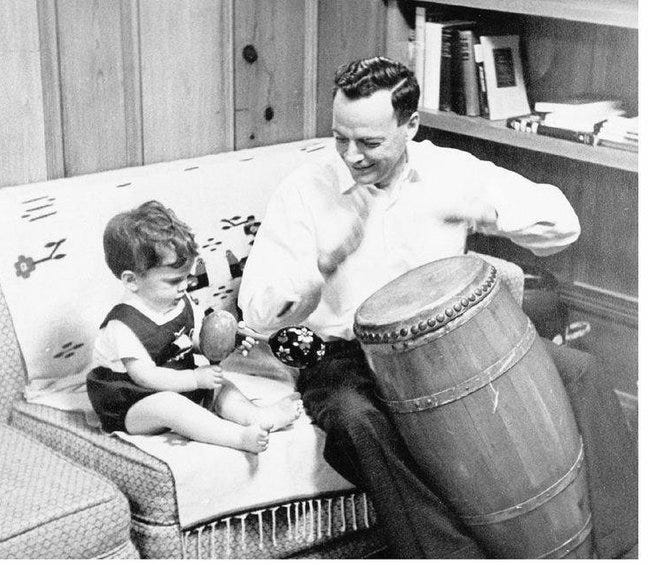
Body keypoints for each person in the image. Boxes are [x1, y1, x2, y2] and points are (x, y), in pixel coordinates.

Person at [238, 57, 637, 557]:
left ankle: (624, 549)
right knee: (358, 422)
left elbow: (563, 224)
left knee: (583, 373)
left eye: (369, 142)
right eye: (341, 138)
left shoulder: (451, 169)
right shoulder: (305, 189)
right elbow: (255, 311)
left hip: (455, 345)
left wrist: (492, 216)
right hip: (349, 359)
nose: (351, 156)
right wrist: (319, 265)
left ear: (410, 125)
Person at [86, 200, 302, 454]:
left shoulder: (181, 300)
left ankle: (257, 416)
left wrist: (229, 342)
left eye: (187, 277)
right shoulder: (122, 324)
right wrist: (194, 379)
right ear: (132, 281)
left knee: (222, 386)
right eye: (173, 280)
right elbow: (144, 377)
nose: (184, 286)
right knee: (169, 404)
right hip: (133, 404)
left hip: (180, 385)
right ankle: (237, 437)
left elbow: (198, 341)